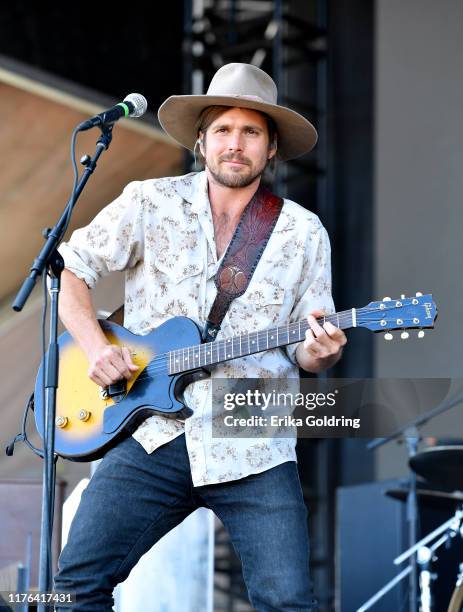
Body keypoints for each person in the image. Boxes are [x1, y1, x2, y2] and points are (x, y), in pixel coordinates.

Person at [53, 62, 347, 611]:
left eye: (252, 132)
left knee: (288, 602)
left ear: (272, 148)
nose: (236, 144)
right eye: (224, 130)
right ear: (201, 140)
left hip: (252, 436)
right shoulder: (149, 201)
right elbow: (72, 270)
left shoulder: (303, 231)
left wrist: (320, 351)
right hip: (151, 433)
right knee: (72, 588)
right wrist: (97, 348)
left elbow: (309, 350)